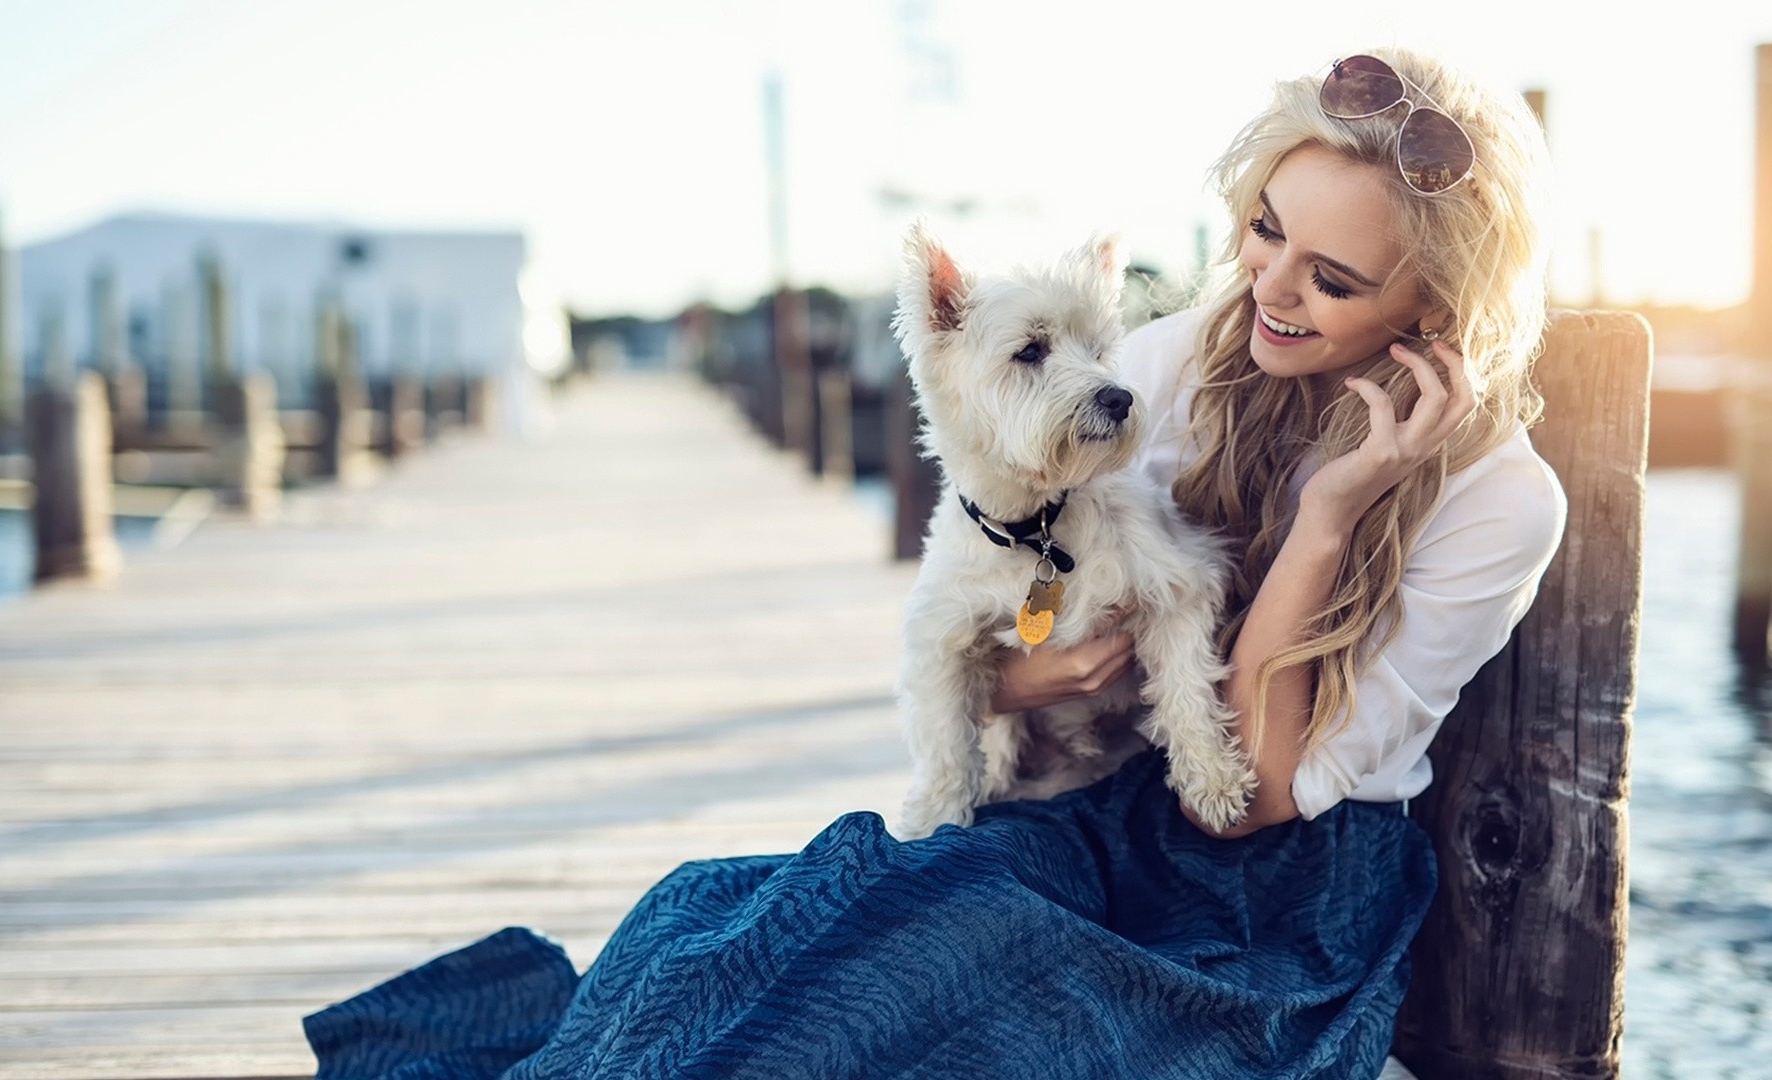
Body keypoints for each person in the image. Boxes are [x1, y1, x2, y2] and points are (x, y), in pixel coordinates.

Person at [305, 46, 1568, 1080]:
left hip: (1277, 907)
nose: (1270, 291)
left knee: (957, 988)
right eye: (1262, 231)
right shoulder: (1188, 356)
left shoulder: (1500, 501)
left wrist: (1332, 519)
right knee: (771, 922)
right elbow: (1031, 590)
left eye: (1331, 281)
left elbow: (1253, 793)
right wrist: (1019, 681)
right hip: (1100, 810)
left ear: (1435, 313)